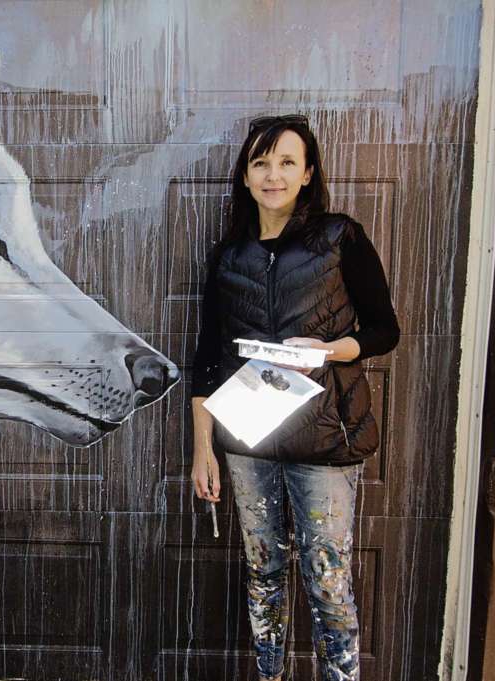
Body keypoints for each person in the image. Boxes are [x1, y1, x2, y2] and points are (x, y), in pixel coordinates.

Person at [189, 115, 400, 681]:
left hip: (327, 439)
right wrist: (203, 448)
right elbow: (207, 357)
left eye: (287, 162)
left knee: (328, 582)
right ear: (245, 176)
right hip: (248, 441)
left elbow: (385, 330)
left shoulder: (340, 238)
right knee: (264, 575)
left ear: (308, 173)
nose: (273, 175)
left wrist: (329, 351)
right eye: (261, 163)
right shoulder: (229, 255)